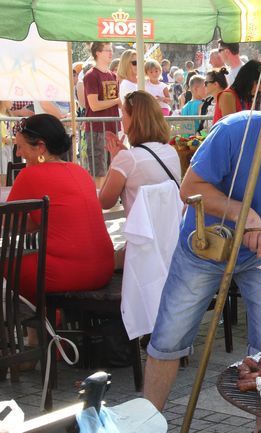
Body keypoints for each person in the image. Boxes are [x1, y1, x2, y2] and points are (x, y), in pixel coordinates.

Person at [143, 81, 261, 416]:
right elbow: (189, 187)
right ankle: (148, 420)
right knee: (168, 339)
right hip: (203, 246)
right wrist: (242, 211)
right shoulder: (234, 132)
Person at [8, 114, 114, 305]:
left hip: (68, 272)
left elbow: (10, 225)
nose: (18, 153)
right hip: (104, 267)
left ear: (40, 147)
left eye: (20, 146)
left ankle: (37, 325)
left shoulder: (29, 174)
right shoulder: (80, 171)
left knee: (8, 265)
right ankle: (43, 326)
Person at [99, 91, 181, 217]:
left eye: (124, 113)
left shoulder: (126, 159)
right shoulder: (171, 151)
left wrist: (115, 159)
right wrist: (122, 156)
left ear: (134, 119)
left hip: (142, 233)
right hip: (171, 231)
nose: (121, 118)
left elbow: (104, 202)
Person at [83, 42, 121, 185]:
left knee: (112, 168)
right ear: (97, 53)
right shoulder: (91, 75)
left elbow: (118, 103)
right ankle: (99, 203)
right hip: (97, 128)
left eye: (112, 50)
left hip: (112, 127)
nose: (111, 53)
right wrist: (117, 100)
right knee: (99, 170)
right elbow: (94, 105)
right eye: (107, 50)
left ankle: (109, 204)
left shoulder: (113, 75)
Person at [198, 68, 228, 134]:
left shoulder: (227, 100)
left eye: (206, 83)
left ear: (216, 84)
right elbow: (201, 127)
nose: (204, 86)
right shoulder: (207, 102)